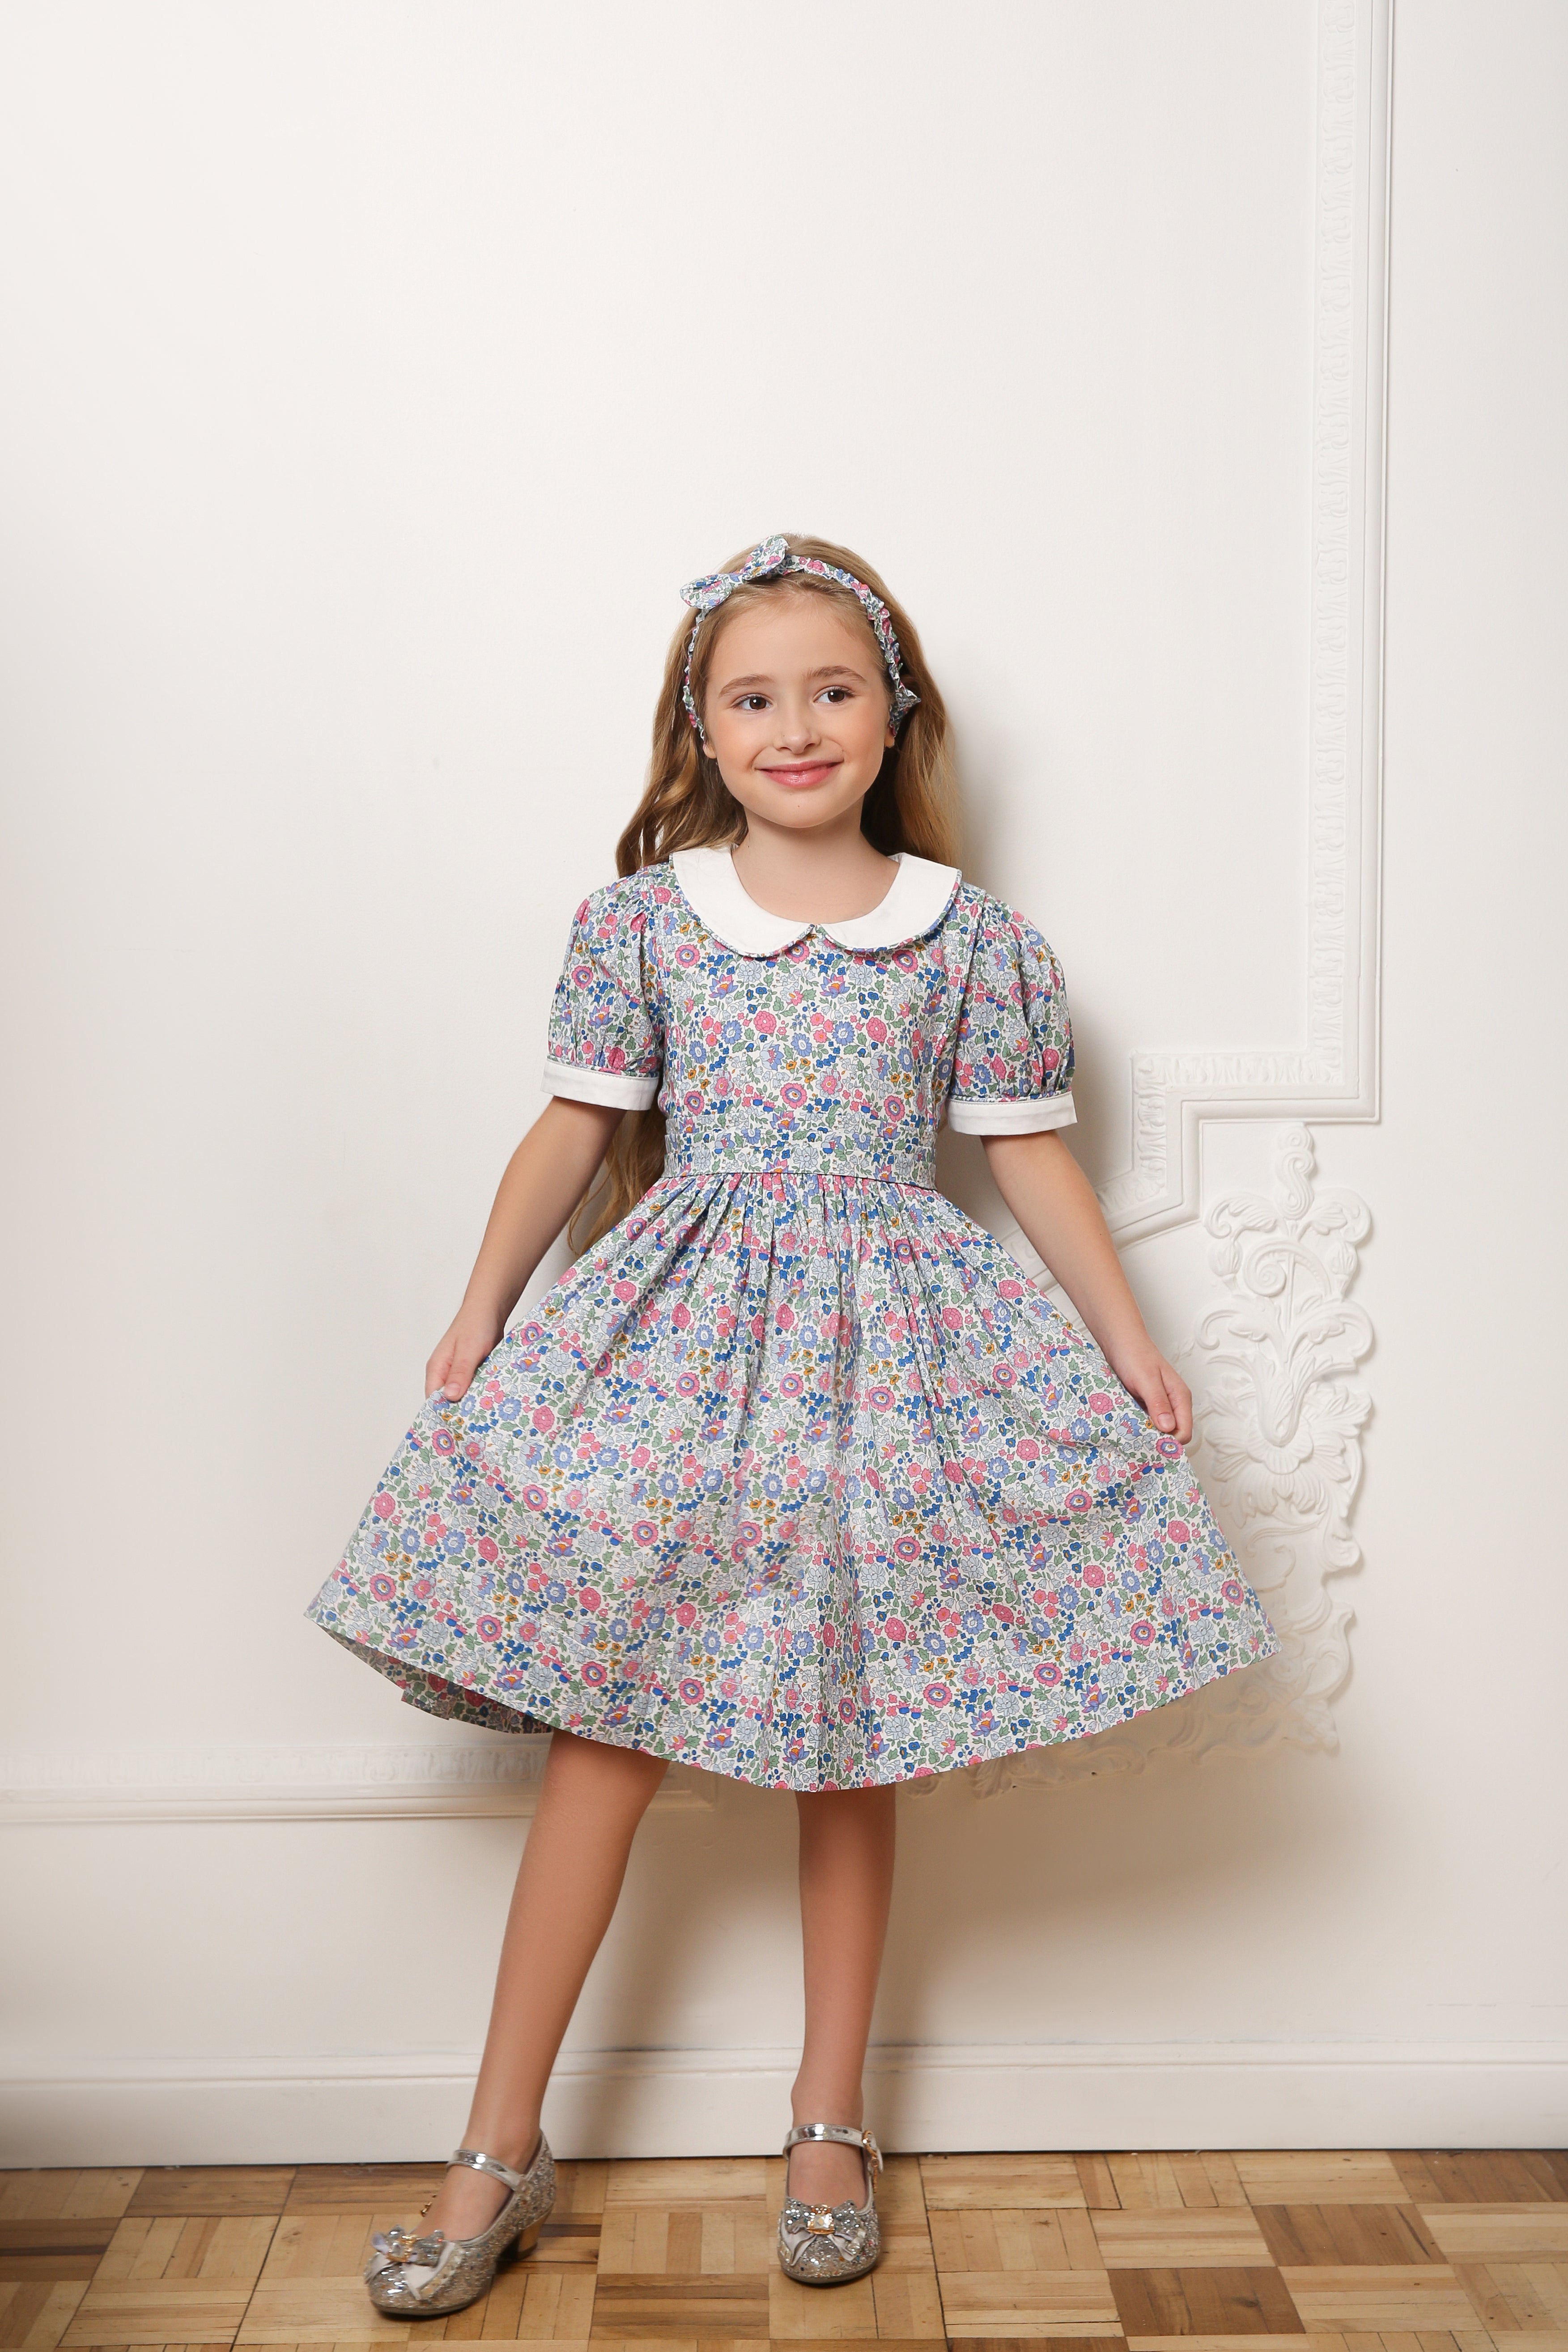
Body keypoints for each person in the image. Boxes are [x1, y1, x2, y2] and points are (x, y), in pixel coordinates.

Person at [306, 533, 1277, 2314]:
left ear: (893, 713)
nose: (795, 726)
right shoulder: (644, 922)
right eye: (752, 697)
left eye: (832, 690)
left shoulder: (969, 938)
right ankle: (494, 2143)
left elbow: (1026, 1156)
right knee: (606, 1727)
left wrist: (1126, 1344)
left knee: (851, 1733)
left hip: (886, 1364)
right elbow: (573, 1129)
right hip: (684, 1352)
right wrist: (483, 1302)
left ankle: (830, 2120)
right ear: (702, 726)